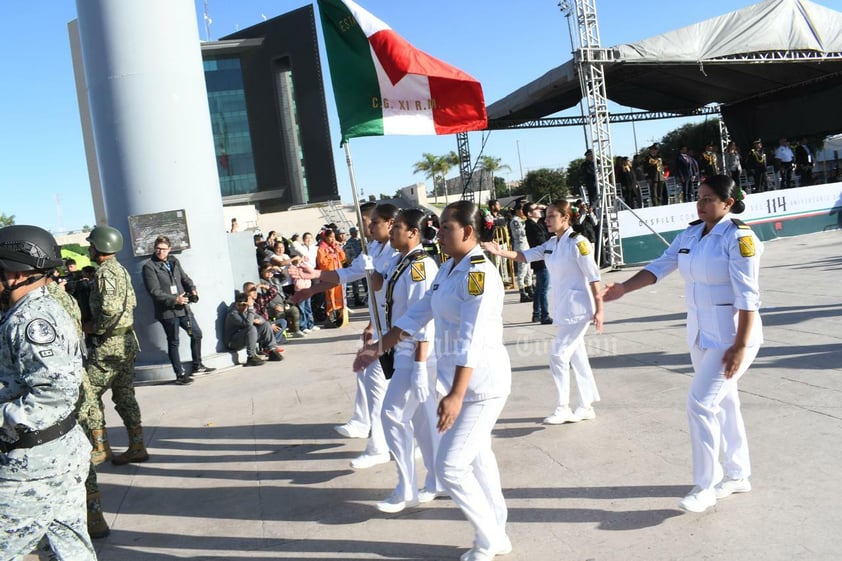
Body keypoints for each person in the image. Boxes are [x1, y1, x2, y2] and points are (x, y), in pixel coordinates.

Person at [354, 200, 512, 561]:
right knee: (478, 459)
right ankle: (497, 529)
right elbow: (415, 316)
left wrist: (455, 394)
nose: (437, 233)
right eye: (438, 227)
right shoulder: (448, 270)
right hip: (460, 382)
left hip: (481, 385)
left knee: (450, 466)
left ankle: (490, 539)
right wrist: (379, 347)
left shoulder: (478, 274)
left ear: (468, 232)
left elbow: (470, 339)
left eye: (445, 228)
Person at [603, 175, 763, 513]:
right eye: (699, 198)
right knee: (725, 403)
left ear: (728, 203)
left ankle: (705, 484)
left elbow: (749, 298)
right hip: (700, 332)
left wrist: (739, 345)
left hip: (732, 335)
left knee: (701, 403)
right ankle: (738, 474)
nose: (701, 204)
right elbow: (662, 265)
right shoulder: (691, 233)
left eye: (708, 199)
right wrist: (622, 289)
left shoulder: (739, 238)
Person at [0, 225, 97, 560]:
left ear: (16, 272)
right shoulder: (29, 311)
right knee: (69, 548)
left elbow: (55, 392)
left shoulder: (31, 319)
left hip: (33, 466)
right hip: (56, 455)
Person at [290, 203, 398, 469]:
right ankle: (368, 428)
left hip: (399, 330)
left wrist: (373, 275)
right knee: (371, 377)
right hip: (383, 325)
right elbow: (346, 274)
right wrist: (313, 281)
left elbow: (384, 287)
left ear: (389, 223)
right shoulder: (373, 248)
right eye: (366, 223)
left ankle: (381, 445)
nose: (366, 228)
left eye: (371, 223)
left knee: (385, 386)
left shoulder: (398, 252)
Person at [484, 199, 603, 424]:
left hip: (579, 309)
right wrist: (500, 252)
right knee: (578, 358)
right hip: (564, 308)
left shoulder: (579, 243)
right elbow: (525, 256)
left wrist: (599, 310)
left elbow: (594, 276)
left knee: (558, 356)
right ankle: (586, 405)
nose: (546, 220)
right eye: (546, 216)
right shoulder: (551, 243)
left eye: (551, 216)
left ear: (565, 218)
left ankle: (563, 407)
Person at [372, 208, 441, 514]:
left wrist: (420, 366)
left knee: (392, 414)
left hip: (415, 353)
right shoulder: (402, 261)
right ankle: (436, 480)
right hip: (402, 350)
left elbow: (424, 318)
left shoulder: (421, 267)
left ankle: (406, 487)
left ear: (413, 231)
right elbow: (382, 291)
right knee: (423, 422)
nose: (393, 230)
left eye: (398, 227)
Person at [80, 225, 148, 466]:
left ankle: (100, 447)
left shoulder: (105, 272)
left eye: (91, 244)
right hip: (127, 341)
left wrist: (93, 327)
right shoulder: (120, 270)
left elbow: (109, 308)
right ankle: (137, 444)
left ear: (100, 247)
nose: (88, 248)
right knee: (124, 394)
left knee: (88, 395)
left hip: (110, 344)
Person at [141, 235, 215, 385]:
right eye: (157, 249)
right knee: (174, 341)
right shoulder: (149, 266)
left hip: (183, 310)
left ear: (169, 249)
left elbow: (185, 278)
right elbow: (154, 291)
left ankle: (197, 364)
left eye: (163, 249)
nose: (160, 252)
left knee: (196, 333)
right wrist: (174, 299)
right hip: (168, 312)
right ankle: (180, 374)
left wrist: (192, 289)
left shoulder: (174, 261)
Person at [223, 290, 280, 366]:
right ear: (235, 304)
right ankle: (251, 356)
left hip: (244, 338)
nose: (241, 307)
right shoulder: (233, 313)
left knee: (266, 325)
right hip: (232, 342)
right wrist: (250, 308)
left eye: (244, 305)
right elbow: (248, 324)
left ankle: (272, 350)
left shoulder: (247, 311)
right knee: (251, 328)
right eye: (239, 305)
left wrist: (258, 320)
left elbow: (262, 320)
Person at [523, 202, 552, 324]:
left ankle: (536, 314)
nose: (539, 209)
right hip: (541, 260)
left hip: (540, 260)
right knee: (544, 289)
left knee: (540, 288)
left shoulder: (536, 224)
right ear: (530, 214)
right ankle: (544, 315)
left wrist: (544, 209)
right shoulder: (531, 226)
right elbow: (542, 241)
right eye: (536, 209)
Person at [315, 228, 346, 327]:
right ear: (326, 237)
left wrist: (338, 249)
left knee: (338, 294)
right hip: (329, 275)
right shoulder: (321, 248)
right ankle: (330, 317)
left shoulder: (334, 246)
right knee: (330, 296)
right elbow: (322, 263)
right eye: (330, 237)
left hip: (338, 274)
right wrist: (330, 257)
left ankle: (339, 315)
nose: (332, 239)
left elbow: (343, 258)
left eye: (333, 237)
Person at [508, 201, 533, 302]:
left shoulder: (522, 220)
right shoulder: (515, 221)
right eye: (522, 210)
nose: (524, 212)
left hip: (526, 246)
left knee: (528, 270)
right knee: (522, 271)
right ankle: (522, 292)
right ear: (518, 210)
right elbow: (521, 233)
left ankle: (530, 289)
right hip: (521, 247)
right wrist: (526, 223)